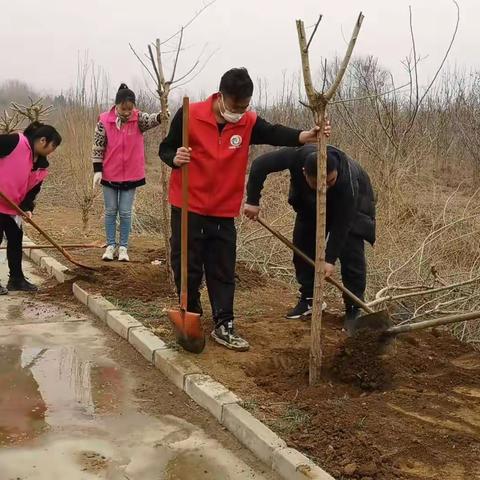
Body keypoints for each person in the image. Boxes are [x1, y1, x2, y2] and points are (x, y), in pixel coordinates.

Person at [159, 67, 330, 351]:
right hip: (188, 204)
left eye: (246, 105)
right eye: (236, 105)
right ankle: (192, 314)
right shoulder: (190, 114)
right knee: (186, 264)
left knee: (222, 268)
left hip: (224, 208)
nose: (241, 111)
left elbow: (274, 132)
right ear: (221, 97)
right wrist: (175, 158)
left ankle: (224, 324)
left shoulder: (247, 121)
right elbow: (165, 149)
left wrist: (305, 135)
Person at [244, 145, 376, 330]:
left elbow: (342, 224)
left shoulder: (348, 181)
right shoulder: (295, 157)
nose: (324, 188)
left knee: (351, 252)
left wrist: (329, 260)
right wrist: (252, 201)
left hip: (353, 208)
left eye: (330, 181)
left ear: (336, 171)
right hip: (309, 204)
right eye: (317, 183)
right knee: (302, 245)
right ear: (304, 173)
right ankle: (310, 299)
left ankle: (354, 308)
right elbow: (259, 165)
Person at [92, 83, 163, 262]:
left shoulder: (138, 119)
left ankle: (123, 247)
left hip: (131, 174)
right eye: (123, 109)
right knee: (110, 211)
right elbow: (98, 146)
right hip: (109, 173)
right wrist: (97, 170)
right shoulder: (104, 121)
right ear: (116, 106)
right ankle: (110, 246)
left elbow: (153, 119)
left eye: (129, 109)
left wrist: (163, 116)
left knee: (125, 212)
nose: (126, 113)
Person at [0, 122, 62, 294]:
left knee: (15, 242)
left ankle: (16, 280)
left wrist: (27, 207)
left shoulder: (41, 165)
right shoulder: (14, 142)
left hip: (13, 208)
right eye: (53, 146)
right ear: (43, 140)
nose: (52, 150)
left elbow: (32, 190)